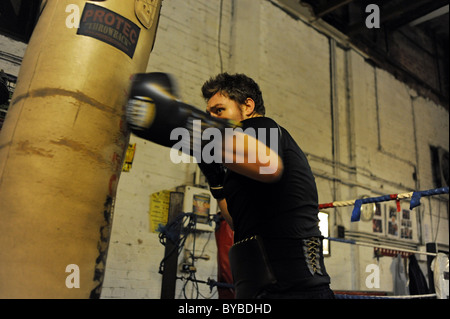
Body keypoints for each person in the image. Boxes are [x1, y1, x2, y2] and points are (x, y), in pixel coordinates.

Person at [198, 73, 334, 299]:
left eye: (219, 110)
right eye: (209, 113)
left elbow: (269, 167)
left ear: (248, 106)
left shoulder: (260, 126)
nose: (212, 118)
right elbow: (236, 221)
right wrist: (217, 184)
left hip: (294, 287)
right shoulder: (242, 158)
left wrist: (195, 135)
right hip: (261, 285)